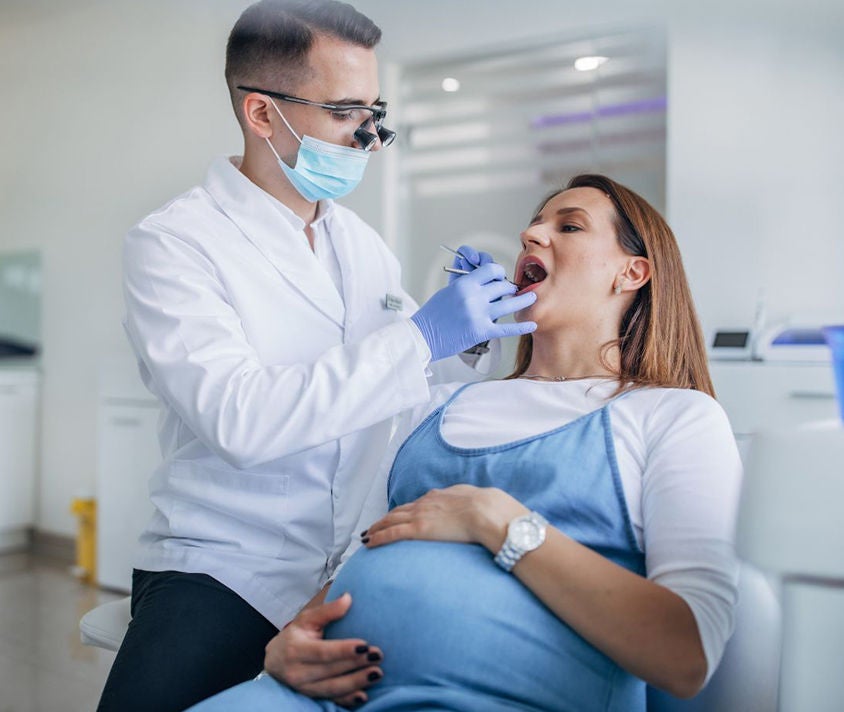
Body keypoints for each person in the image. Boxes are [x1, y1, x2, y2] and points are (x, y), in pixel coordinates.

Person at [96, 2, 536, 711]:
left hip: (351, 558)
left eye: (373, 111)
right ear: (262, 114)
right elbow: (240, 420)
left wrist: (467, 338)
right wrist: (421, 337)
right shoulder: (174, 244)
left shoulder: (359, 243)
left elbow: (403, 391)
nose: (368, 137)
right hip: (225, 565)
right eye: (343, 112)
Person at [187, 174, 742, 712]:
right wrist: (287, 644)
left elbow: (686, 654)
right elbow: (360, 553)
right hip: (324, 697)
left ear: (631, 272)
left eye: (569, 226)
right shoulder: (435, 403)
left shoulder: (674, 415)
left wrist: (495, 520)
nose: (531, 234)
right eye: (535, 224)